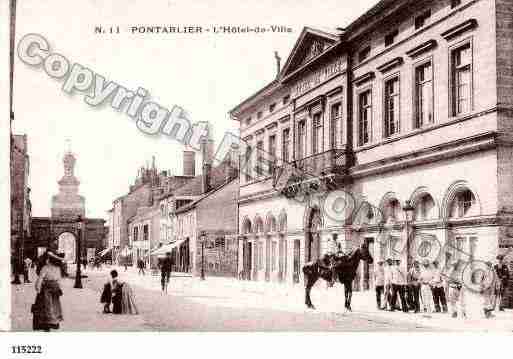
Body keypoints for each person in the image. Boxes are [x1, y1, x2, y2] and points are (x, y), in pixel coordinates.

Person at [32, 251, 64, 331]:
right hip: (55, 289)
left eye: (48, 259)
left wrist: (38, 288)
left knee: (44, 306)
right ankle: (54, 321)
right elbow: (59, 279)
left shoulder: (45, 268)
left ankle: (45, 323)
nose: (47, 260)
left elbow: (40, 279)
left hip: (46, 289)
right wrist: (59, 288)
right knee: (54, 305)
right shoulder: (58, 268)